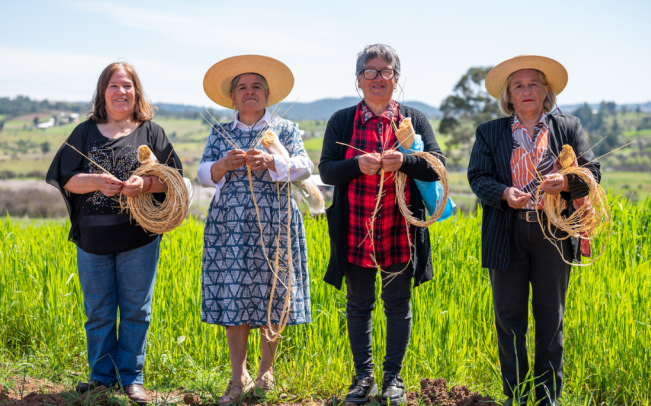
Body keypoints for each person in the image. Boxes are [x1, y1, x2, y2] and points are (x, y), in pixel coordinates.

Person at [467, 55, 601, 406]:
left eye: (533, 84)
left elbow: (593, 173)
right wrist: (503, 193)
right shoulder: (490, 132)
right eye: (518, 85)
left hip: (553, 236)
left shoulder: (567, 127)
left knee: (550, 319)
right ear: (508, 96)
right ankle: (517, 395)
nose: (526, 91)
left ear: (546, 91)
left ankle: (546, 398)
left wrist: (567, 183)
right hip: (507, 232)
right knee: (509, 319)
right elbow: (478, 177)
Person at [46, 62, 182, 406]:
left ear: (136, 92)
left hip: (140, 239)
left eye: (128, 86)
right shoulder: (84, 132)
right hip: (92, 241)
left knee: (137, 310)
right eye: (114, 86)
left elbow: (173, 178)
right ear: (102, 93)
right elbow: (66, 178)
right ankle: (101, 379)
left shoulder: (151, 132)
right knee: (99, 312)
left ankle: (132, 379)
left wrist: (146, 182)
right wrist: (95, 181)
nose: (121, 92)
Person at [318, 44, 444, 406]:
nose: (378, 78)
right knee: (358, 304)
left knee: (397, 304)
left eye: (385, 71)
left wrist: (404, 161)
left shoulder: (413, 119)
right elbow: (327, 169)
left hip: (399, 228)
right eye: (370, 72)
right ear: (359, 80)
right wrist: (357, 165)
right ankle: (363, 378)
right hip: (355, 227)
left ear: (396, 79)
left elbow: (436, 163)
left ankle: (393, 379)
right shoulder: (342, 120)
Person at [198, 55, 312, 405]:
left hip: (276, 222)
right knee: (235, 295)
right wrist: (221, 165)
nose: (250, 93)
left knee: (273, 295)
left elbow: (305, 167)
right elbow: (202, 175)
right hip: (230, 226)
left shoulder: (285, 130)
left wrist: (274, 161)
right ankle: (237, 377)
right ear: (233, 98)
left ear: (267, 95)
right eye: (242, 88)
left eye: (256, 87)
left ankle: (266, 371)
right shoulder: (220, 132)